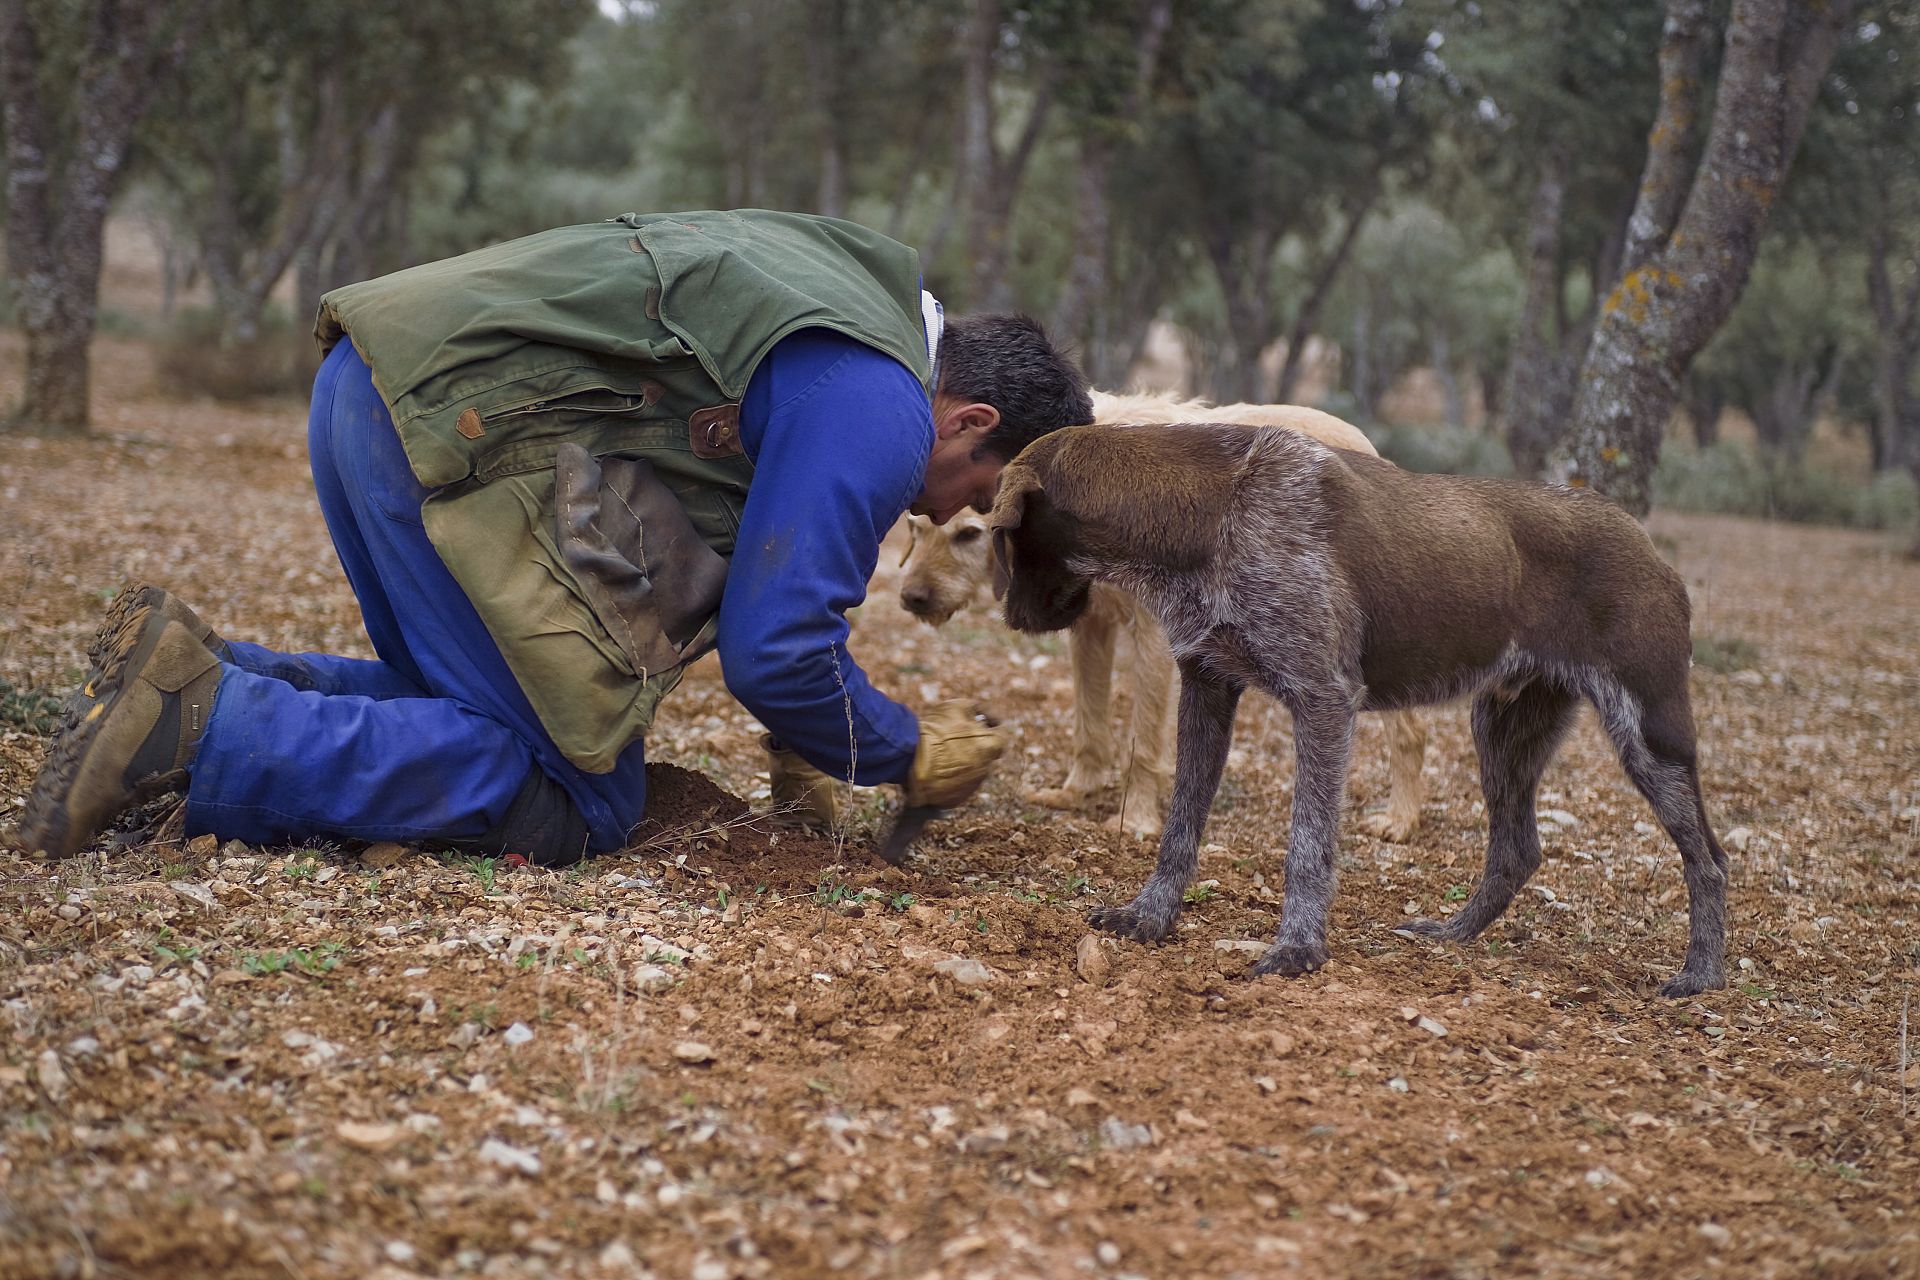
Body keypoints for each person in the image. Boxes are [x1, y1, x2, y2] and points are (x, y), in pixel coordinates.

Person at [18, 209, 1092, 864]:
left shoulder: (846, 290)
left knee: (472, 709)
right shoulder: (881, 399)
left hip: (376, 385)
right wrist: (904, 749)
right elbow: (777, 649)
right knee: (582, 798)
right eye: (975, 492)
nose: (940, 515)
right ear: (971, 419)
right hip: (445, 438)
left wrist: (813, 729)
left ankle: (205, 674)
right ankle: (211, 726)